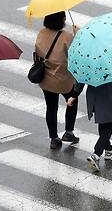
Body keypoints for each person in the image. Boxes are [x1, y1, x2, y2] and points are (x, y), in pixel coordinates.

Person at [34, 11, 80, 149]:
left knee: (51, 107)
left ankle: (54, 138)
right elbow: (75, 55)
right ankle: (69, 132)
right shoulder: (67, 36)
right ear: (62, 20)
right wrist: (77, 35)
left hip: (47, 79)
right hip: (65, 79)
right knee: (72, 101)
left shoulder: (41, 33)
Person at [69, 75, 112, 173]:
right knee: (110, 125)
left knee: (103, 121)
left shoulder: (89, 62)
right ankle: (96, 154)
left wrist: (74, 95)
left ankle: (109, 149)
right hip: (110, 95)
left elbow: (81, 80)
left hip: (95, 96)